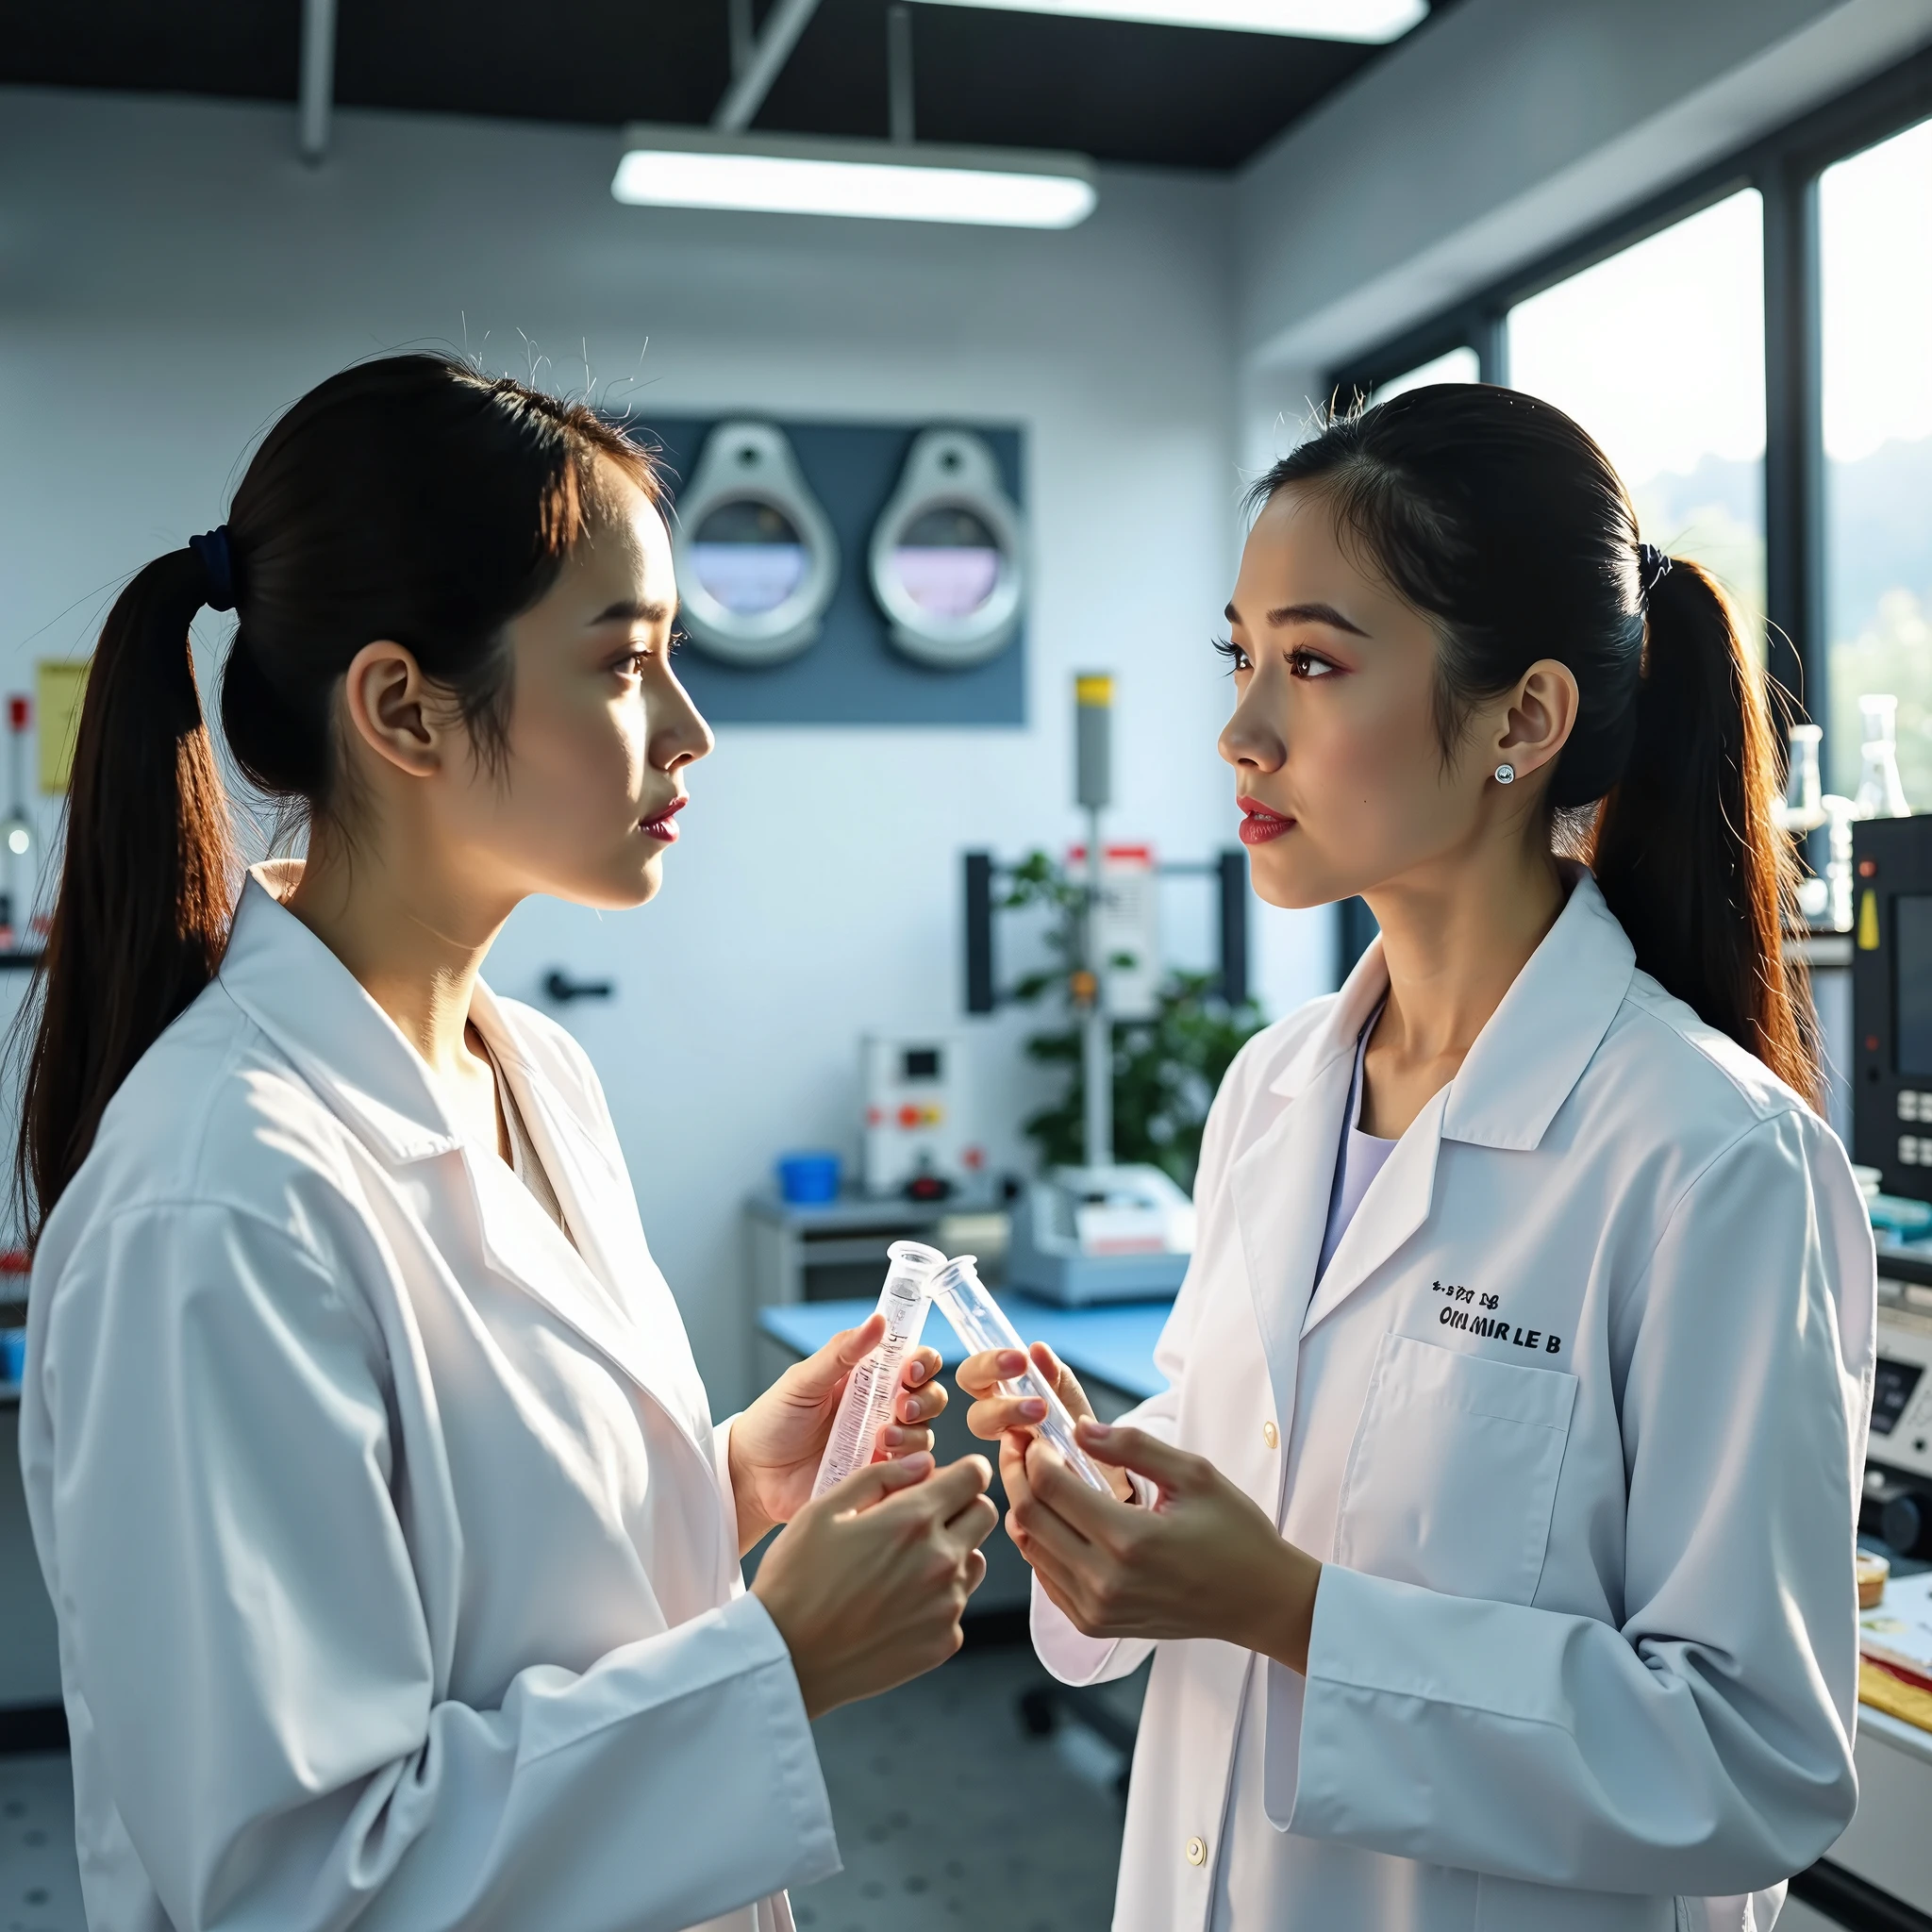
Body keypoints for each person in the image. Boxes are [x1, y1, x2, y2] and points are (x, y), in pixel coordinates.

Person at [16, 355, 997, 1932]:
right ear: (404, 706)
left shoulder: (531, 1071)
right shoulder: (218, 1201)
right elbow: (292, 1890)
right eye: (625, 665)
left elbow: (500, 1585)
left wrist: (725, 1479)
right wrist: (783, 1662)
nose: (690, 733)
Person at [960, 384, 1875, 1932]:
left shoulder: (1712, 1161)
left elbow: (1756, 1762)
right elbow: (1240, 1489)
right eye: (1241, 658)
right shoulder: (1273, 1094)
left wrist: (1296, 1612)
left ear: (1521, 719)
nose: (1243, 729)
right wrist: (1098, 1500)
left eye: (1312, 663)